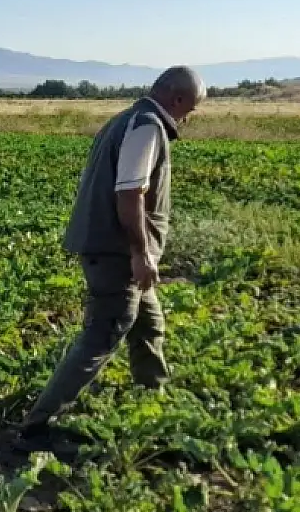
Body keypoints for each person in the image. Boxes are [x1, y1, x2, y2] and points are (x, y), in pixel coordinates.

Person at [18, 65, 207, 441]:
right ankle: (38, 426)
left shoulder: (128, 119)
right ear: (178, 98)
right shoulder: (147, 126)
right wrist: (140, 253)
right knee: (103, 334)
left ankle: (152, 403)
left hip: (119, 250)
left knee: (149, 325)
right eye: (192, 107)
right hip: (118, 253)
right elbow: (129, 195)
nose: (191, 116)